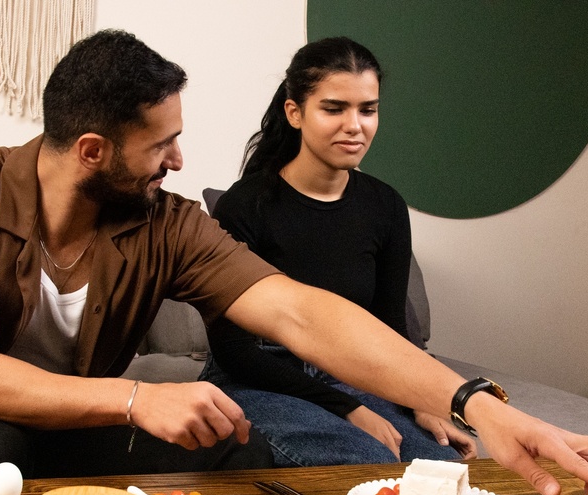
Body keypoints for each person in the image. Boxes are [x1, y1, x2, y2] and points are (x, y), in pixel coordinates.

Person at [0, 28, 588, 495]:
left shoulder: (166, 223)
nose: (179, 157)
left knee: (231, 444)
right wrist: (138, 397)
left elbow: (302, 312)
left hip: (81, 411)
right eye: (161, 144)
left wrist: (481, 404)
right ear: (93, 151)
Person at [201, 37, 476, 468]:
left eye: (368, 109)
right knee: (365, 461)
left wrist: (423, 399)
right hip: (258, 380)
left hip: (351, 373)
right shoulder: (245, 205)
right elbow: (234, 351)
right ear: (295, 113)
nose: (355, 125)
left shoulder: (385, 206)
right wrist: (346, 408)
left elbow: (390, 328)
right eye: (334, 108)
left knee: (440, 469)